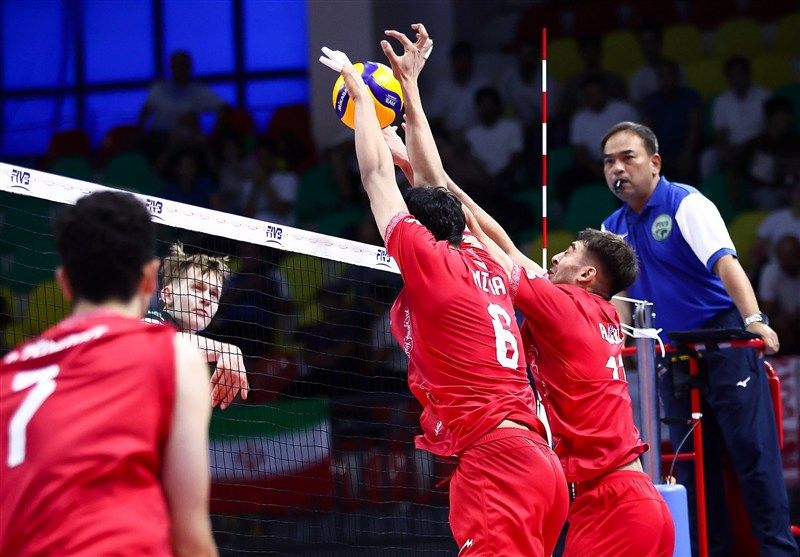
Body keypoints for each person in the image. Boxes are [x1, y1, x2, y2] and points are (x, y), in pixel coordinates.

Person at [380, 23, 674, 557]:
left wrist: (414, 137)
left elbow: (480, 234)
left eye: (569, 253)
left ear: (587, 277)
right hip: (627, 499)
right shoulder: (600, 314)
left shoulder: (563, 307)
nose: (555, 257)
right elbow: (497, 237)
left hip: (609, 505)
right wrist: (416, 160)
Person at [319, 39, 568, 556]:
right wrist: (409, 88)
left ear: (421, 232)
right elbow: (435, 183)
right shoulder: (485, 258)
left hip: (495, 460)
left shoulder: (431, 264)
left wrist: (361, 96)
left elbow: (375, 177)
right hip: (538, 461)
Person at [600, 121, 798, 556]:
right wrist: (611, 348)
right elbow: (619, 299)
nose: (618, 169)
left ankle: (779, 552)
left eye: (628, 158)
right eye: (609, 162)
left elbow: (726, 264)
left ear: (655, 162)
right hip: (671, 353)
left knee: (752, 454)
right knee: (692, 468)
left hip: (724, 341)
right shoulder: (612, 226)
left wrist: (754, 319)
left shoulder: (686, 203)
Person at [0, 191, 217, 556]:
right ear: (150, 277)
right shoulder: (174, 356)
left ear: (64, 282)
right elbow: (191, 538)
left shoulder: (8, 371)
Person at [144, 242, 247, 410]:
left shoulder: (200, 358)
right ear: (168, 295)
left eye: (214, 294)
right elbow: (162, 340)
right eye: (197, 288)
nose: (206, 299)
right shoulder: (150, 318)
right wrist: (226, 349)